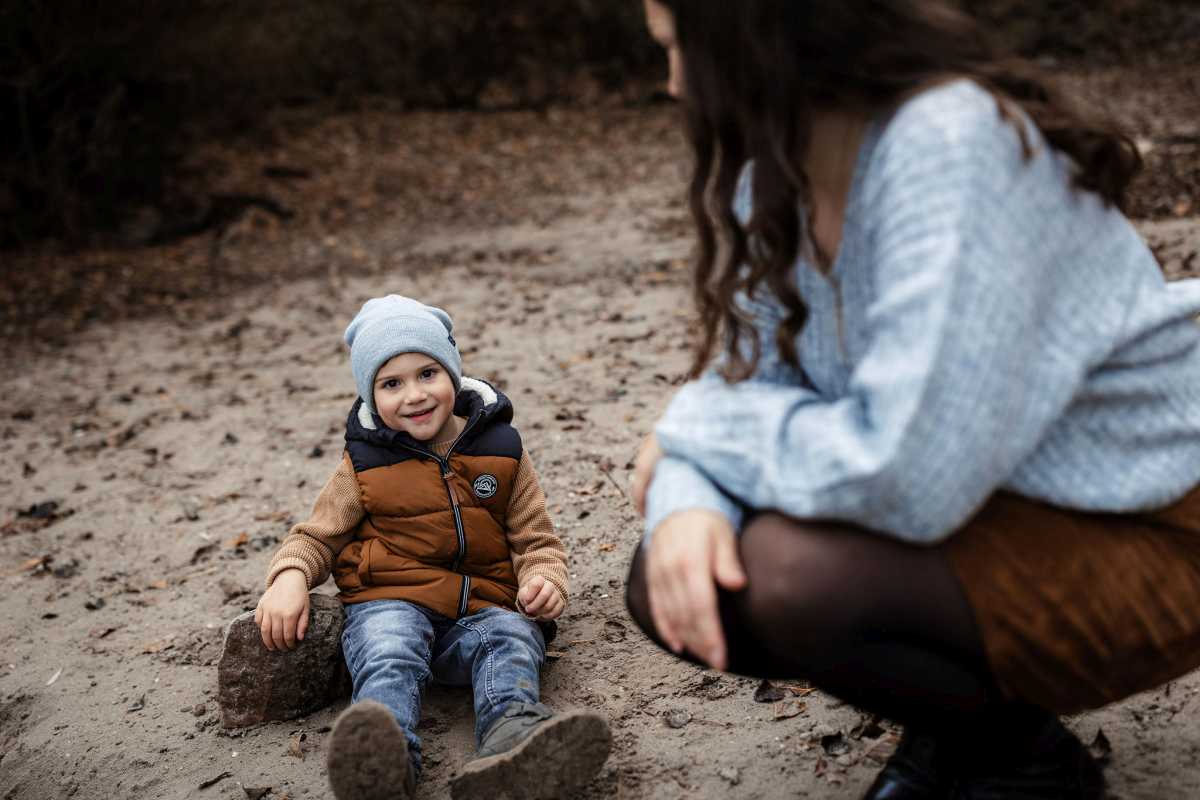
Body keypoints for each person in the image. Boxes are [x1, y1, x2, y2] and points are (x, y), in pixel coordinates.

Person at [625, 1, 1200, 798]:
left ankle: (1018, 764)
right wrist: (687, 486)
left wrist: (688, 428)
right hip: (999, 499)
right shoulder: (777, 170)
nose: (674, 81)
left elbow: (907, 476)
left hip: (1153, 518)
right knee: (670, 567)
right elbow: (743, 385)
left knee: (785, 577)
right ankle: (966, 732)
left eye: (676, 45)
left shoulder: (949, 144)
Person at [255, 295, 611, 800]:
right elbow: (318, 536)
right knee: (389, 648)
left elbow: (537, 539)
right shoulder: (364, 463)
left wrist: (544, 580)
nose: (414, 395)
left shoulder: (502, 449)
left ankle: (512, 740)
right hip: (392, 601)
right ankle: (385, 762)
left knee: (511, 638)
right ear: (369, 394)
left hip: (480, 607)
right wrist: (289, 579)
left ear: (453, 372)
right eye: (391, 383)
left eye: (427, 373)